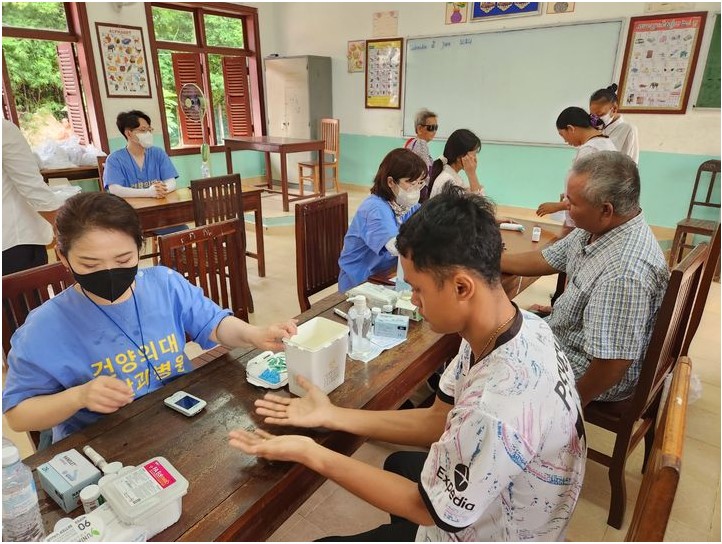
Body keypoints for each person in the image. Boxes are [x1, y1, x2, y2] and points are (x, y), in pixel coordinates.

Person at [230, 186, 586, 541]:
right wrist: (332, 416)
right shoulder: (516, 325)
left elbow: (422, 508)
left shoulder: (496, 409)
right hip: (499, 501)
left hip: (495, 533)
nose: (413, 302)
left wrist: (311, 453)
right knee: (399, 464)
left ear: (462, 288)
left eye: (418, 289)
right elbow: (436, 420)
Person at [2, 192, 297, 444]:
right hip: (101, 442)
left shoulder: (164, 284)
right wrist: (78, 397)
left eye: (123, 260)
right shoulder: (44, 327)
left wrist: (253, 335)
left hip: (177, 420)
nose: (109, 273)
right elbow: (17, 414)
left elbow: (215, 324)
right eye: (90, 264)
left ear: (140, 249)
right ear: (64, 259)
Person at [503, 151, 669, 407]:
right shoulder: (597, 229)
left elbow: (612, 366)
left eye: (572, 203)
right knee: (497, 328)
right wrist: (491, 259)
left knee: (492, 349)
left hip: (588, 369)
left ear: (605, 210)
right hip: (572, 338)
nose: (566, 207)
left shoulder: (624, 272)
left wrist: (567, 408)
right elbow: (547, 259)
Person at [337, 148, 426, 292]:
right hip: (360, 284)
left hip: (387, 275)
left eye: (420, 183)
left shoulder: (404, 205)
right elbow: (396, 246)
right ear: (391, 182)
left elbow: (428, 219)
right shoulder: (375, 209)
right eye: (411, 183)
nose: (416, 189)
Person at [2, 118, 65, 275]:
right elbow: (32, 187)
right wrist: (66, 229)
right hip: (15, 242)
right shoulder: (4, 130)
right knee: (25, 298)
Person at [537, 106, 617, 227]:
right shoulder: (605, 142)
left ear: (570, 128)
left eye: (562, 135)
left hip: (587, 217)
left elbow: (587, 194)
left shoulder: (589, 149)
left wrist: (558, 206)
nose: (565, 141)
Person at [103, 110, 177, 199]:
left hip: (158, 204)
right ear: (129, 134)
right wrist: (148, 192)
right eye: (143, 130)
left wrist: (158, 191)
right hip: (129, 209)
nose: (148, 134)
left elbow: (171, 182)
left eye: (149, 130)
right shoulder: (114, 159)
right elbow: (115, 190)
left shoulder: (158, 153)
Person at [590, 83, 639, 164]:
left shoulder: (628, 129)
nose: (597, 118)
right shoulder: (598, 129)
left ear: (614, 109)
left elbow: (632, 163)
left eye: (600, 114)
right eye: (593, 115)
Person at [428, 128, 483, 198]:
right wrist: (472, 174)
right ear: (460, 156)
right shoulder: (448, 181)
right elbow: (479, 206)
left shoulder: (452, 177)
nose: (475, 160)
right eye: (474, 155)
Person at [404, 108, 437, 201]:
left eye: (436, 127)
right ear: (419, 128)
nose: (434, 131)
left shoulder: (411, 141)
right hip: (417, 193)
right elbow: (425, 175)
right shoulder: (421, 144)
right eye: (431, 128)